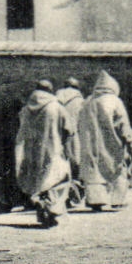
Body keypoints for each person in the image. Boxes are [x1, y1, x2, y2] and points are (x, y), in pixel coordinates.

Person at [14, 79, 73, 227]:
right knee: (59, 178)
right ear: (50, 90)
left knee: (38, 179)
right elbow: (69, 128)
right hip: (53, 148)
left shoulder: (26, 108)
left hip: (32, 150)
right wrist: (64, 142)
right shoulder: (56, 106)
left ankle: (41, 208)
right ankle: (52, 208)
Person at [74, 71, 132, 211]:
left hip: (90, 143)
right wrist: (128, 140)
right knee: (116, 167)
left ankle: (96, 200)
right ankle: (117, 200)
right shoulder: (115, 101)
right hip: (111, 142)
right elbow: (123, 124)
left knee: (94, 171)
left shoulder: (87, 102)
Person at [0, 85, 27, 213]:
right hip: (13, 147)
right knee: (14, 172)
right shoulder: (17, 120)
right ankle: (14, 200)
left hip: (0, 147)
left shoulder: (1, 121)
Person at [54, 77, 86, 207]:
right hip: (74, 136)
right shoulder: (80, 101)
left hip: (58, 136)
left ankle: (61, 196)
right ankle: (75, 196)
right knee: (75, 165)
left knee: (60, 166)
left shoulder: (55, 99)